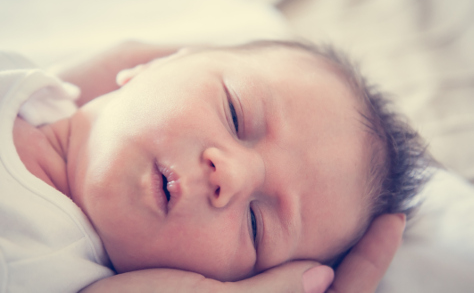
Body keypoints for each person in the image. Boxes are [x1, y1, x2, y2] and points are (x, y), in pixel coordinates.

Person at [0, 40, 426, 292]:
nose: (233, 176)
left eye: (257, 226)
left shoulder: (48, 269)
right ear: (159, 63)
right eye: (235, 114)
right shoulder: (19, 75)